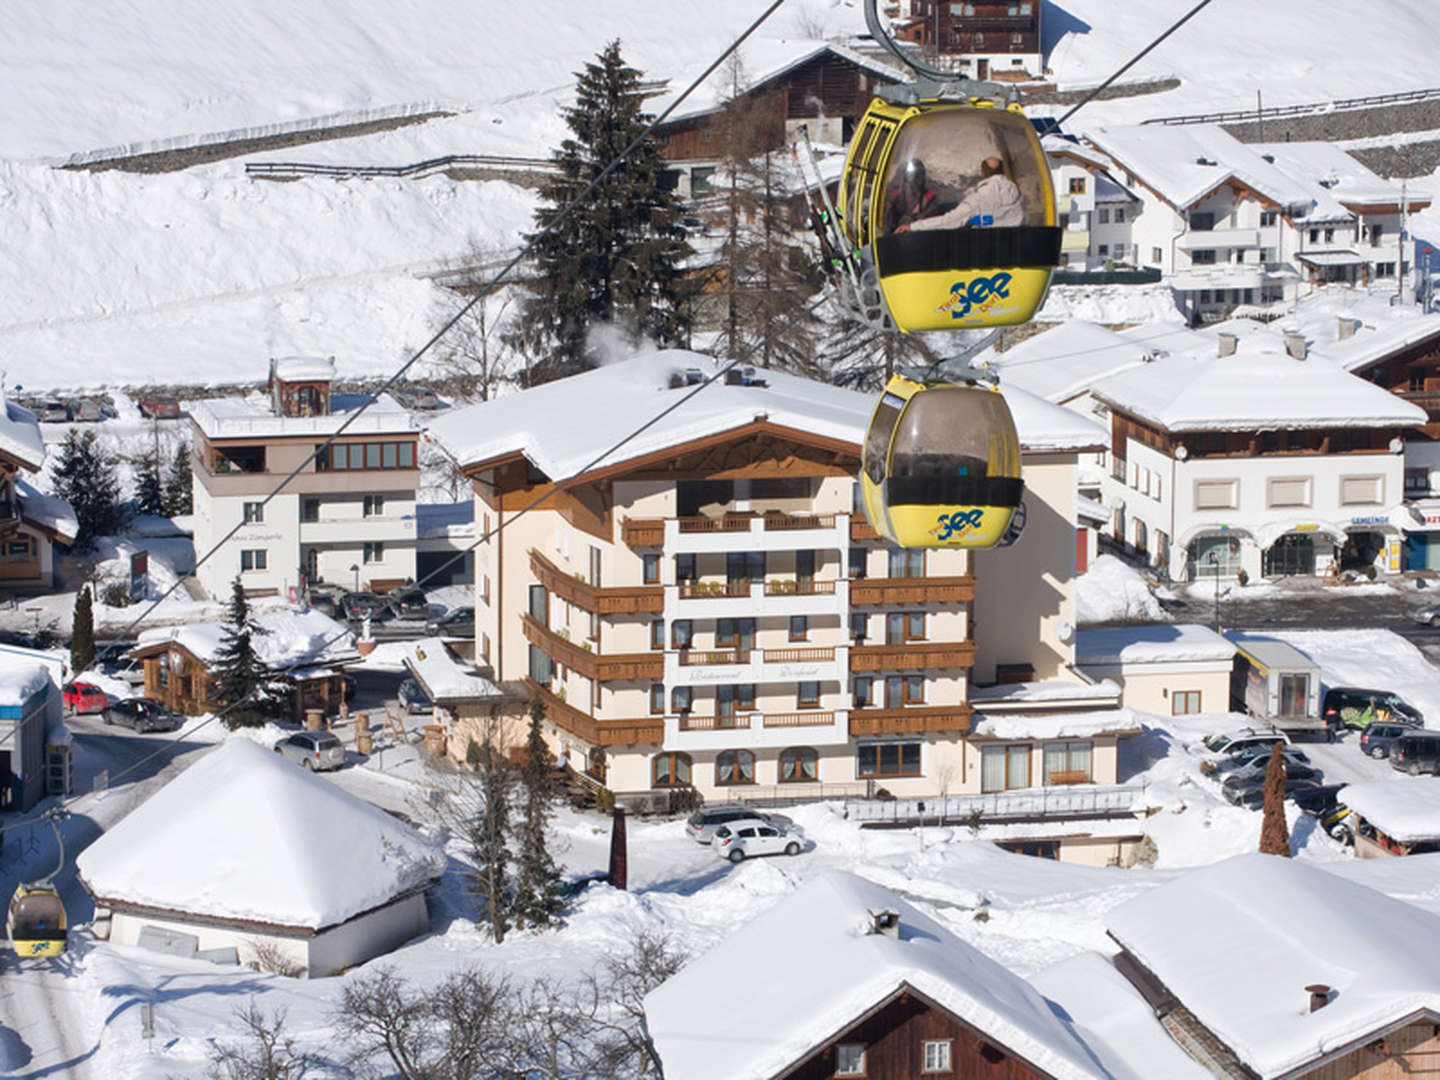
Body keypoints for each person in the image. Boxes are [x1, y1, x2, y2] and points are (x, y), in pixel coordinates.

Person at [898, 156, 1024, 232]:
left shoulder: (979, 199)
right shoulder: (1016, 193)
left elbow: (949, 221)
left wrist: (913, 227)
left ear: (983, 174)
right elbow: (1003, 219)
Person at [884, 158, 941, 232]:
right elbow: (886, 219)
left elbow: (930, 223)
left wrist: (910, 224)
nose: (915, 179)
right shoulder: (896, 195)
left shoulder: (929, 197)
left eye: (918, 175)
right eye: (912, 175)